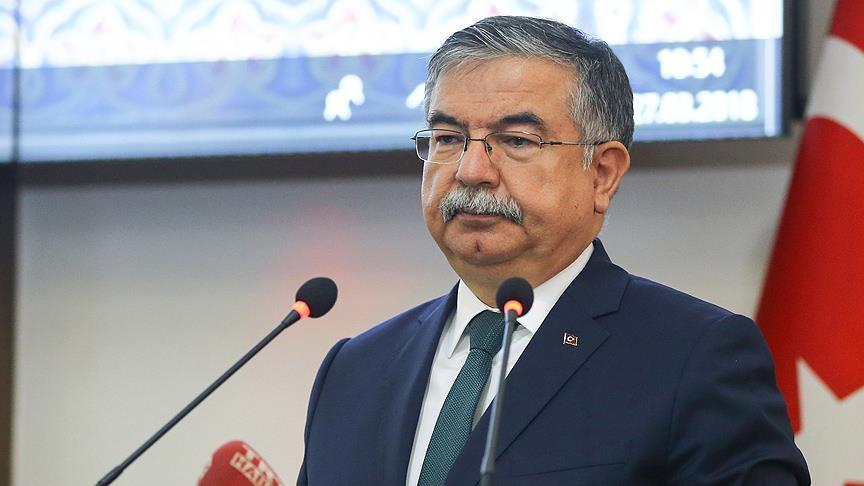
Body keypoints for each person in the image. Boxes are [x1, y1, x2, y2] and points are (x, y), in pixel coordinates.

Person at [297, 15, 809, 486]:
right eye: (448, 137)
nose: (471, 171)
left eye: (517, 141)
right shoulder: (355, 369)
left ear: (602, 173)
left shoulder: (694, 357)